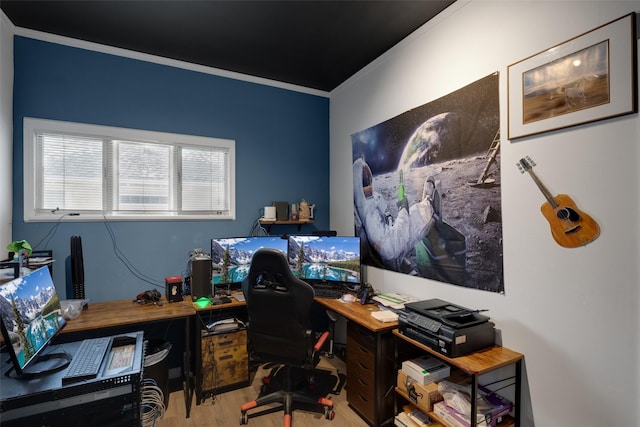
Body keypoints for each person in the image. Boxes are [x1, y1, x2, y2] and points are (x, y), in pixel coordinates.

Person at [353, 157, 438, 269]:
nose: (369, 184)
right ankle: (429, 204)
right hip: (392, 251)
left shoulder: (370, 200)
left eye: (369, 179)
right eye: (365, 181)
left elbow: (386, 217)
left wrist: (391, 217)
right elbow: (390, 247)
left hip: (389, 236)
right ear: (358, 185)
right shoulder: (368, 213)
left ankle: (425, 204)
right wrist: (403, 208)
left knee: (408, 215)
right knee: (414, 217)